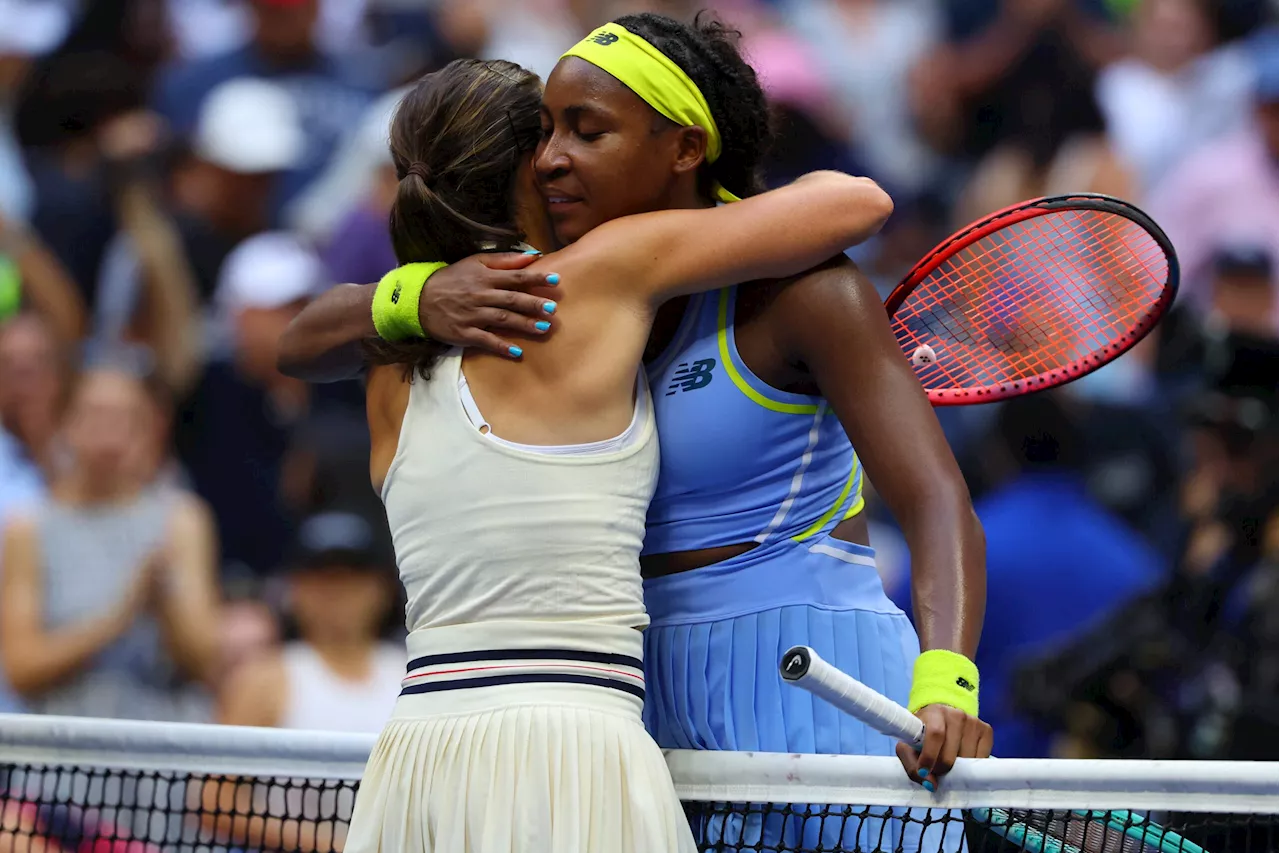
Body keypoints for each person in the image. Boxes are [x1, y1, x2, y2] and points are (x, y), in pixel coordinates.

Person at [280, 13, 986, 852]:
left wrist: (948, 680)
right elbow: (299, 342)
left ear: (684, 148)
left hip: (823, 690)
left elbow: (935, 494)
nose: (549, 158)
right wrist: (420, 292)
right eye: (544, 132)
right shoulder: (550, 306)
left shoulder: (806, 295)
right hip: (642, 724)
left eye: (587, 131)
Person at [0, 364, 221, 722]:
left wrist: (164, 603)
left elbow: (206, 662)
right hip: (65, 750)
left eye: (127, 418)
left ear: (149, 430)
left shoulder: (181, 520)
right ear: (66, 424)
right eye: (97, 416)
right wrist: (120, 617)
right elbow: (21, 669)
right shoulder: (28, 527)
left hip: (164, 747)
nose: (110, 433)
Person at [218, 509, 404, 733]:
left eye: (352, 579)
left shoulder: (410, 675)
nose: (338, 592)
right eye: (323, 580)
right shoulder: (262, 683)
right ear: (296, 589)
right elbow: (223, 766)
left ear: (381, 589)